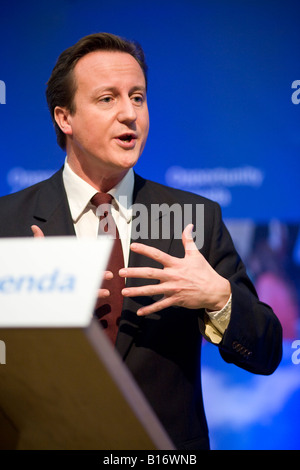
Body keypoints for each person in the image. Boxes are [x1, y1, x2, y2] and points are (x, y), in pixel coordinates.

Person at [0, 33, 282, 450]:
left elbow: (266, 351)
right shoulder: (8, 221)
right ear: (65, 118)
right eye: (107, 99)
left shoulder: (194, 219)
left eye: (137, 97)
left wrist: (218, 297)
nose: (130, 114)